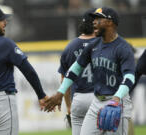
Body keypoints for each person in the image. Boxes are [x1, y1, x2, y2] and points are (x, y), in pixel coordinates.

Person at [45, 7, 135, 135]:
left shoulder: (123, 48)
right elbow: (75, 69)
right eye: (93, 19)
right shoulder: (93, 45)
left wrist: (116, 98)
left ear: (110, 22)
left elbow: (129, 78)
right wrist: (60, 93)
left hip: (117, 103)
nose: (94, 22)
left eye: (98, 19)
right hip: (97, 102)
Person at [0, 6, 48, 135]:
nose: (5, 23)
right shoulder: (4, 44)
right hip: (1, 104)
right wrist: (41, 95)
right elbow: (28, 70)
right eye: (2, 20)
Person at [58, 8, 96, 135]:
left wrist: (69, 106)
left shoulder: (70, 47)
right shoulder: (102, 44)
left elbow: (64, 80)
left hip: (78, 98)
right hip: (99, 98)